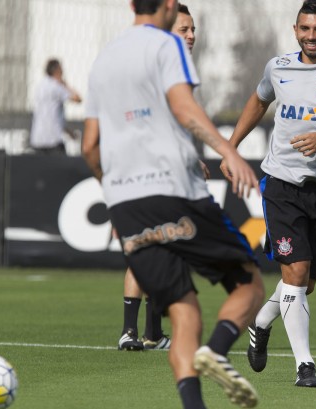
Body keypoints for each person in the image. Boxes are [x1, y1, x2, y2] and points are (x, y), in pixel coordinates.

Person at [82, 1, 264, 408]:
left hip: (128, 206)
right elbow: (183, 108)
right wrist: (228, 151)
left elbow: (90, 146)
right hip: (175, 193)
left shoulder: (104, 60)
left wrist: (115, 195)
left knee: (184, 313)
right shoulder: (167, 46)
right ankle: (217, 351)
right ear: (167, 6)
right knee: (249, 285)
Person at [220, 0, 316, 387]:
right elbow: (259, 100)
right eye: (305, 29)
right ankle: (304, 366)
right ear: (295, 30)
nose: (312, 36)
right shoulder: (278, 67)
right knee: (296, 273)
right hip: (280, 185)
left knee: (304, 285)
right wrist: (231, 145)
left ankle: (260, 321)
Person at [117, 2, 201, 353]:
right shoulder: (159, 66)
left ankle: (148, 333)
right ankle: (133, 332)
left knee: (158, 248)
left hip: (163, 169)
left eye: (193, 29)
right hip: (151, 170)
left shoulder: (173, 64)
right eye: (184, 29)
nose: (191, 35)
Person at [30, 58, 82, 154]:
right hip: (53, 141)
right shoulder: (56, 86)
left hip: (37, 139)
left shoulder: (40, 86)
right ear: (57, 70)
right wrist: (65, 84)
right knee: (61, 167)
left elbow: (51, 116)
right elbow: (78, 99)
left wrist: (68, 132)